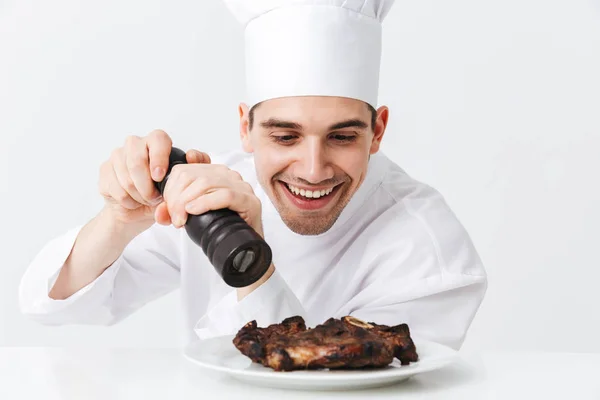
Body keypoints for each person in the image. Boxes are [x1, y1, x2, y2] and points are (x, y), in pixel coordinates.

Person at [18, 0, 487, 350]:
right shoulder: (212, 194)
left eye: (342, 137)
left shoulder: (430, 252)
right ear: (245, 127)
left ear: (378, 130)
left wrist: (252, 270)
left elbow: (349, 387)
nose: (312, 168)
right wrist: (121, 220)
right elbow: (52, 302)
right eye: (285, 137)